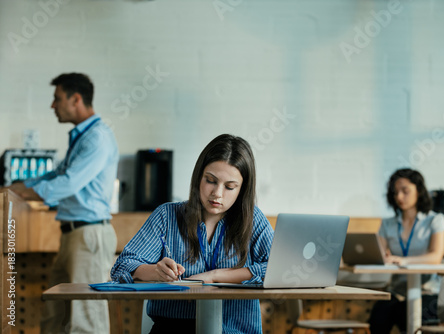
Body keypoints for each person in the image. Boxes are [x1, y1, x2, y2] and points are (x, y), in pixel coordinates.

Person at [111, 134, 274, 334]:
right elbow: (123, 265)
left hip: (234, 328)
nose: (218, 193)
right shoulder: (167, 216)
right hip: (174, 328)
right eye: (211, 181)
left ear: (242, 190)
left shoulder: (253, 220)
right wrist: (154, 271)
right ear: (198, 177)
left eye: (230, 187)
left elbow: (276, 269)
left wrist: (215, 277)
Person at [5, 73, 119, 334]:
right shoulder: (83, 137)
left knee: (85, 322)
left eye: (57, 99)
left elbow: (66, 183)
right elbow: (54, 175)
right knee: (54, 318)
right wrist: (15, 188)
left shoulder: (96, 137)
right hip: (73, 235)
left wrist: (22, 194)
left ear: (76, 99)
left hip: (88, 235)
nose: (52, 105)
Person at [368, 168, 444, 333]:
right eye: (395, 192)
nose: (399, 197)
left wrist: (404, 261)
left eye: (405, 191)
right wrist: (383, 256)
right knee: (379, 314)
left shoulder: (435, 220)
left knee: (408, 314)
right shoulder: (387, 224)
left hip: (427, 290)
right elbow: (379, 255)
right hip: (397, 290)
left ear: (419, 190)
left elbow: (435, 257)